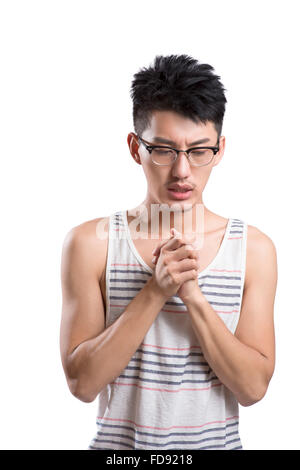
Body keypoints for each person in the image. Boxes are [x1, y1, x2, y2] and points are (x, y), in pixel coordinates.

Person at [59, 54, 277, 450]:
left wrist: (192, 295)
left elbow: (253, 388)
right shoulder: (91, 243)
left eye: (198, 151)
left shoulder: (254, 250)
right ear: (135, 147)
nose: (181, 171)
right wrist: (155, 291)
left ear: (219, 149)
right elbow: (82, 383)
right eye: (163, 149)